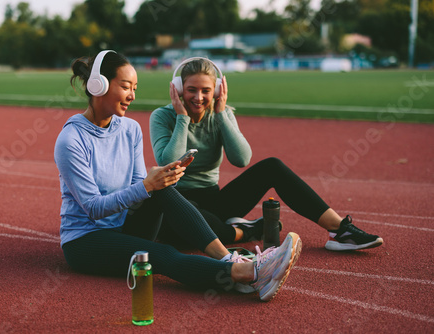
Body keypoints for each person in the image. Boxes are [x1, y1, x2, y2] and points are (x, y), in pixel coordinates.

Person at [53, 49, 303, 301]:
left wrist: (154, 182)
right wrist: (146, 186)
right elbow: (93, 208)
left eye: (135, 88)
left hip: (125, 226)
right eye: (126, 86)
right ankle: (249, 273)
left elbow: (140, 189)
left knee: (162, 187)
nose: (132, 96)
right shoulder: (71, 140)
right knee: (160, 254)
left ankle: (227, 257)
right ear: (99, 86)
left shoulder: (129, 128)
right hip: (87, 241)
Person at [149, 57, 383, 252]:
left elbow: (241, 160)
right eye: (191, 90)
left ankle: (339, 229)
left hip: (214, 201)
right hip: (176, 201)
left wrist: (221, 115)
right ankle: (247, 230)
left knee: (272, 166)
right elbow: (167, 161)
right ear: (179, 89)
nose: (198, 97)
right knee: (179, 233)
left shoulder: (222, 114)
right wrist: (182, 118)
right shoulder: (162, 116)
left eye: (206, 90)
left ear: (218, 90)